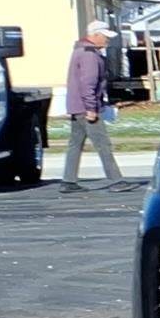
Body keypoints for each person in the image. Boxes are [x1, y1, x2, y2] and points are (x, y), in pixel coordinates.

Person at [61, 21, 133, 193]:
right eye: (105, 36)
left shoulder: (80, 51)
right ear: (95, 35)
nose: (107, 41)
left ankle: (68, 180)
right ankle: (116, 180)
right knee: (102, 144)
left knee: (75, 143)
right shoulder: (89, 55)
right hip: (86, 108)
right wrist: (91, 108)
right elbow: (89, 83)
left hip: (76, 106)